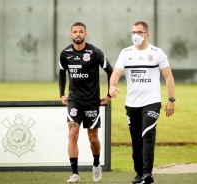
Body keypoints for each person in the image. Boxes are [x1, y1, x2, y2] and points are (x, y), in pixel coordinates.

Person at [109, 21, 175, 184]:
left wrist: (171, 99)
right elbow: (116, 73)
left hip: (151, 102)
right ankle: (139, 174)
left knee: (148, 135)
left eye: (139, 32)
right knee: (136, 139)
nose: (136, 35)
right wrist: (112, 86)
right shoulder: (125, 53)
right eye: (133, 32)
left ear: (147, 34)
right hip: (132, 104)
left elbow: (168, 76)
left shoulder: (157, 53)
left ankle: (147, 173)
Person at [58, 22, 113, 183]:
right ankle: (74, 174)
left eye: (81, 32)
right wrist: (62, 94)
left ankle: (96, 165)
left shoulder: (95, 52)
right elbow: (62, 74)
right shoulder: (65, 54)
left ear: (85, 34)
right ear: (71, 34)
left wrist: (109, 94)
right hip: (74, 101)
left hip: (91, 102)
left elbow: (111, 71)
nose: (78, 34)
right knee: (72, 134)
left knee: (93, 139)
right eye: (75, 32)